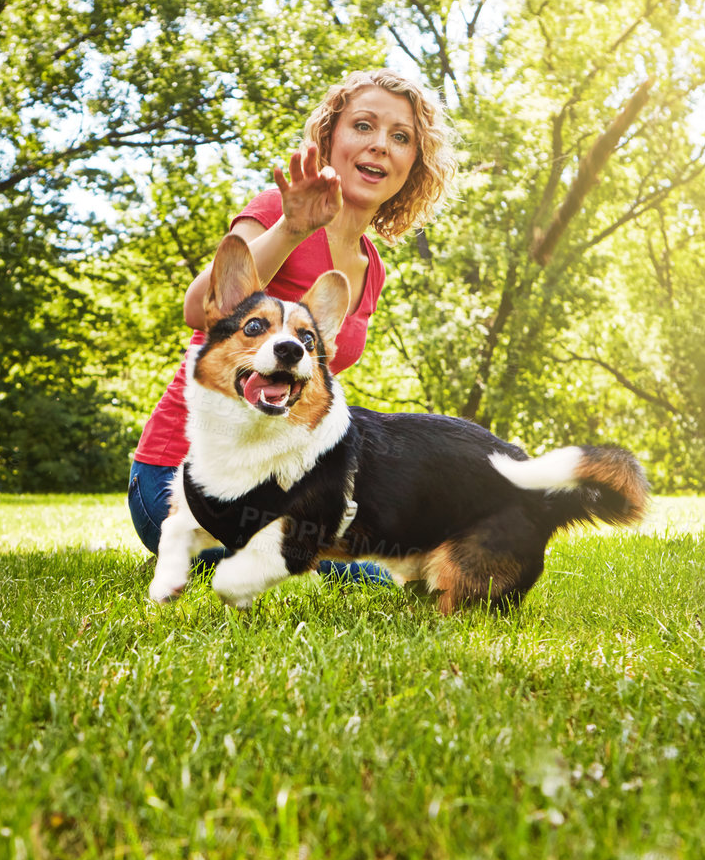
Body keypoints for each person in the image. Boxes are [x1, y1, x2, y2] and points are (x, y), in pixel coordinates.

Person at [128, 68, 458, 582]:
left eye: (401, 138)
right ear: (330, 138)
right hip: (179, 476)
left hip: (279, 483)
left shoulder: (372, 268)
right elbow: (199, 308)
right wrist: (293, 226)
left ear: (413, 163)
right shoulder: (277, 214)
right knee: (356, 574)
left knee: (399, 565)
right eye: (363, 126)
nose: (379, 146)